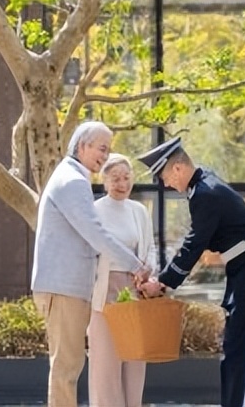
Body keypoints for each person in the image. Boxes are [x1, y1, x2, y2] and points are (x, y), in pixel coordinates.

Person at [137, 137, 245, 407]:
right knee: (233, 351)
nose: (165, 184)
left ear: (178, 169)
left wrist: (162, 283)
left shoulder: (205, 194)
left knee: (241, 354)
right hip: (244, 272)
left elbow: (193, 245)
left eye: (164, 177)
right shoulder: (204, 185)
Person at [31, 121, 151, 407]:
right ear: (82, 146)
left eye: (108, 149)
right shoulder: (72, 181)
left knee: (68, 367)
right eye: (101, 148)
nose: (105, 156)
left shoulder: (72, 177)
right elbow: (97, 234)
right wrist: (136, 266)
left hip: (68, 288)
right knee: (66, 369)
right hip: (64, 289)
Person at [87, 153, 156, 407]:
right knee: (106, 363)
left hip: (135, 291)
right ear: (104, 180)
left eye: (126, 178)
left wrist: (148, 268)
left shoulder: (138, 211)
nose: (122, 184)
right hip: (105, 292)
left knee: (135, 360)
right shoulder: (94, 211)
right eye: (115, 178)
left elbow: (150, 248)